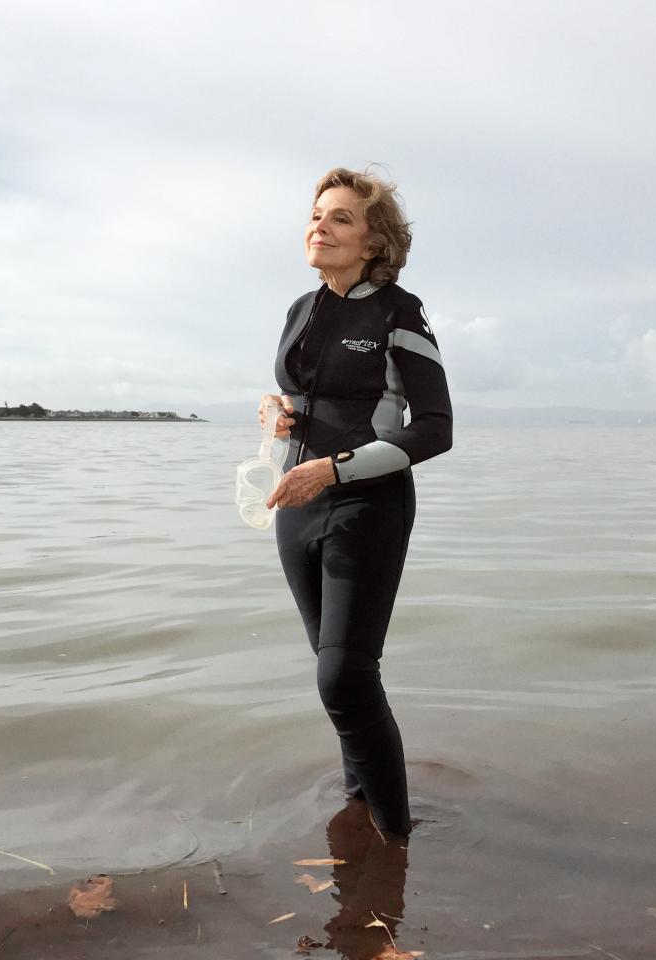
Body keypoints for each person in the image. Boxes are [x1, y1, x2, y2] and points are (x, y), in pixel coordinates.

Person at [259, 167, 452, 837]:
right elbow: (300, 394)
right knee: (337, 679)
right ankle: (359, 826)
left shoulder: (400, 311)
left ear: (375, 241)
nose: (321, 226)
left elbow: (434, 428)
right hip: (295, 507)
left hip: (366, 505)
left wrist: (333, 471)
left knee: (344, 676)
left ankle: (395, 840)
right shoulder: (301, 310)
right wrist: (272, 408)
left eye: (341, 218)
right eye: (317, 214)